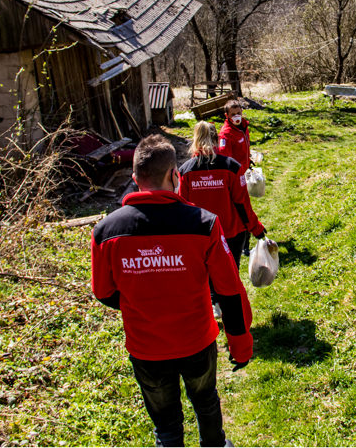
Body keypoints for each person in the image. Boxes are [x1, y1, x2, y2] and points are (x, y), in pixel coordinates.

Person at [91, 134, 252, 447]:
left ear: (135, 179)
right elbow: (229, 288)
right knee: (205, 402)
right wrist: (240, 340)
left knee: (166, 425)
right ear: (174, 175)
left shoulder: (106, 231)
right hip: (196, 341)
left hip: (146, 347)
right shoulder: (204, 223)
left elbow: (103, 292)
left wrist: (145, 305)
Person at [179, 121, 273, 318]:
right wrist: (255, 228)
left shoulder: (186, 171)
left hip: (201, 233)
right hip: (231, 231)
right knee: (230, 269)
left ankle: (214, 303)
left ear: (195, 140)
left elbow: (183, 207)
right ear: (216, 139)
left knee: (206, 269)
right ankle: (230, 308)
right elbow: (242, 203)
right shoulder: (231, 167)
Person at [216, 100, 253, 256]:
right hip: (234, 178)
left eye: (239, 113)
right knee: (241, 209)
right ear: (227, 115)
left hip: (243, 172)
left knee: (245, 207)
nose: (237, 116)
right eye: (233, 114)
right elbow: (225, 159)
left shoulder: (243, 126)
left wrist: (248, 160)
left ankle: (245, 242)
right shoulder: (226, 134)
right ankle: (242, 245)